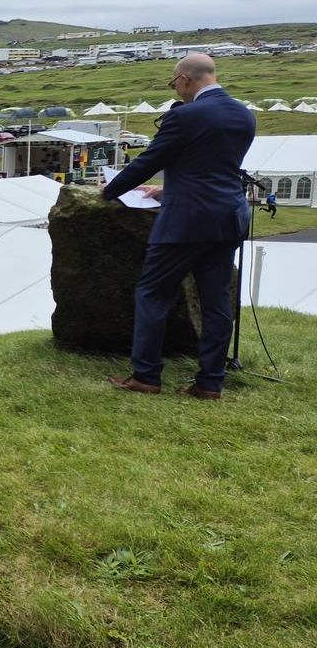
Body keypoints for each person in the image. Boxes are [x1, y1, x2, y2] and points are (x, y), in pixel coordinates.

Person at [103, 54, 256, 400]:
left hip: (186, 221)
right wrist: (168, 188)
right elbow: (213, 168)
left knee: (153, 293)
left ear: (185, 79)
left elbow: (149, 160)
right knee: (216, 303)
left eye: (174, 83)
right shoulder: (244, 115)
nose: (177, 89)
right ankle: (210, 383)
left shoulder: (185, 116)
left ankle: (146, 375)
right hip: (229, 217)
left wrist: (111, 190)